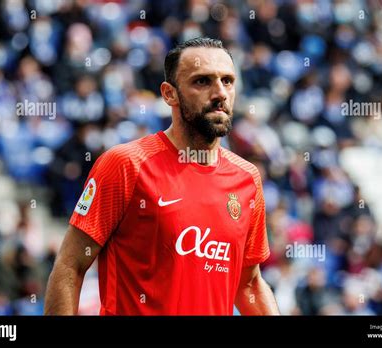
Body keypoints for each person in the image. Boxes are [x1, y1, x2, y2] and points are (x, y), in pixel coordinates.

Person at [44, 37, 279, 315]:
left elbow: (249, 284)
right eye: (202, 81)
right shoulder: (126, 164)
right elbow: (71, 264)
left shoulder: (247, 179)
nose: (220, 93)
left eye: (227, 81)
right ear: (169, 94)